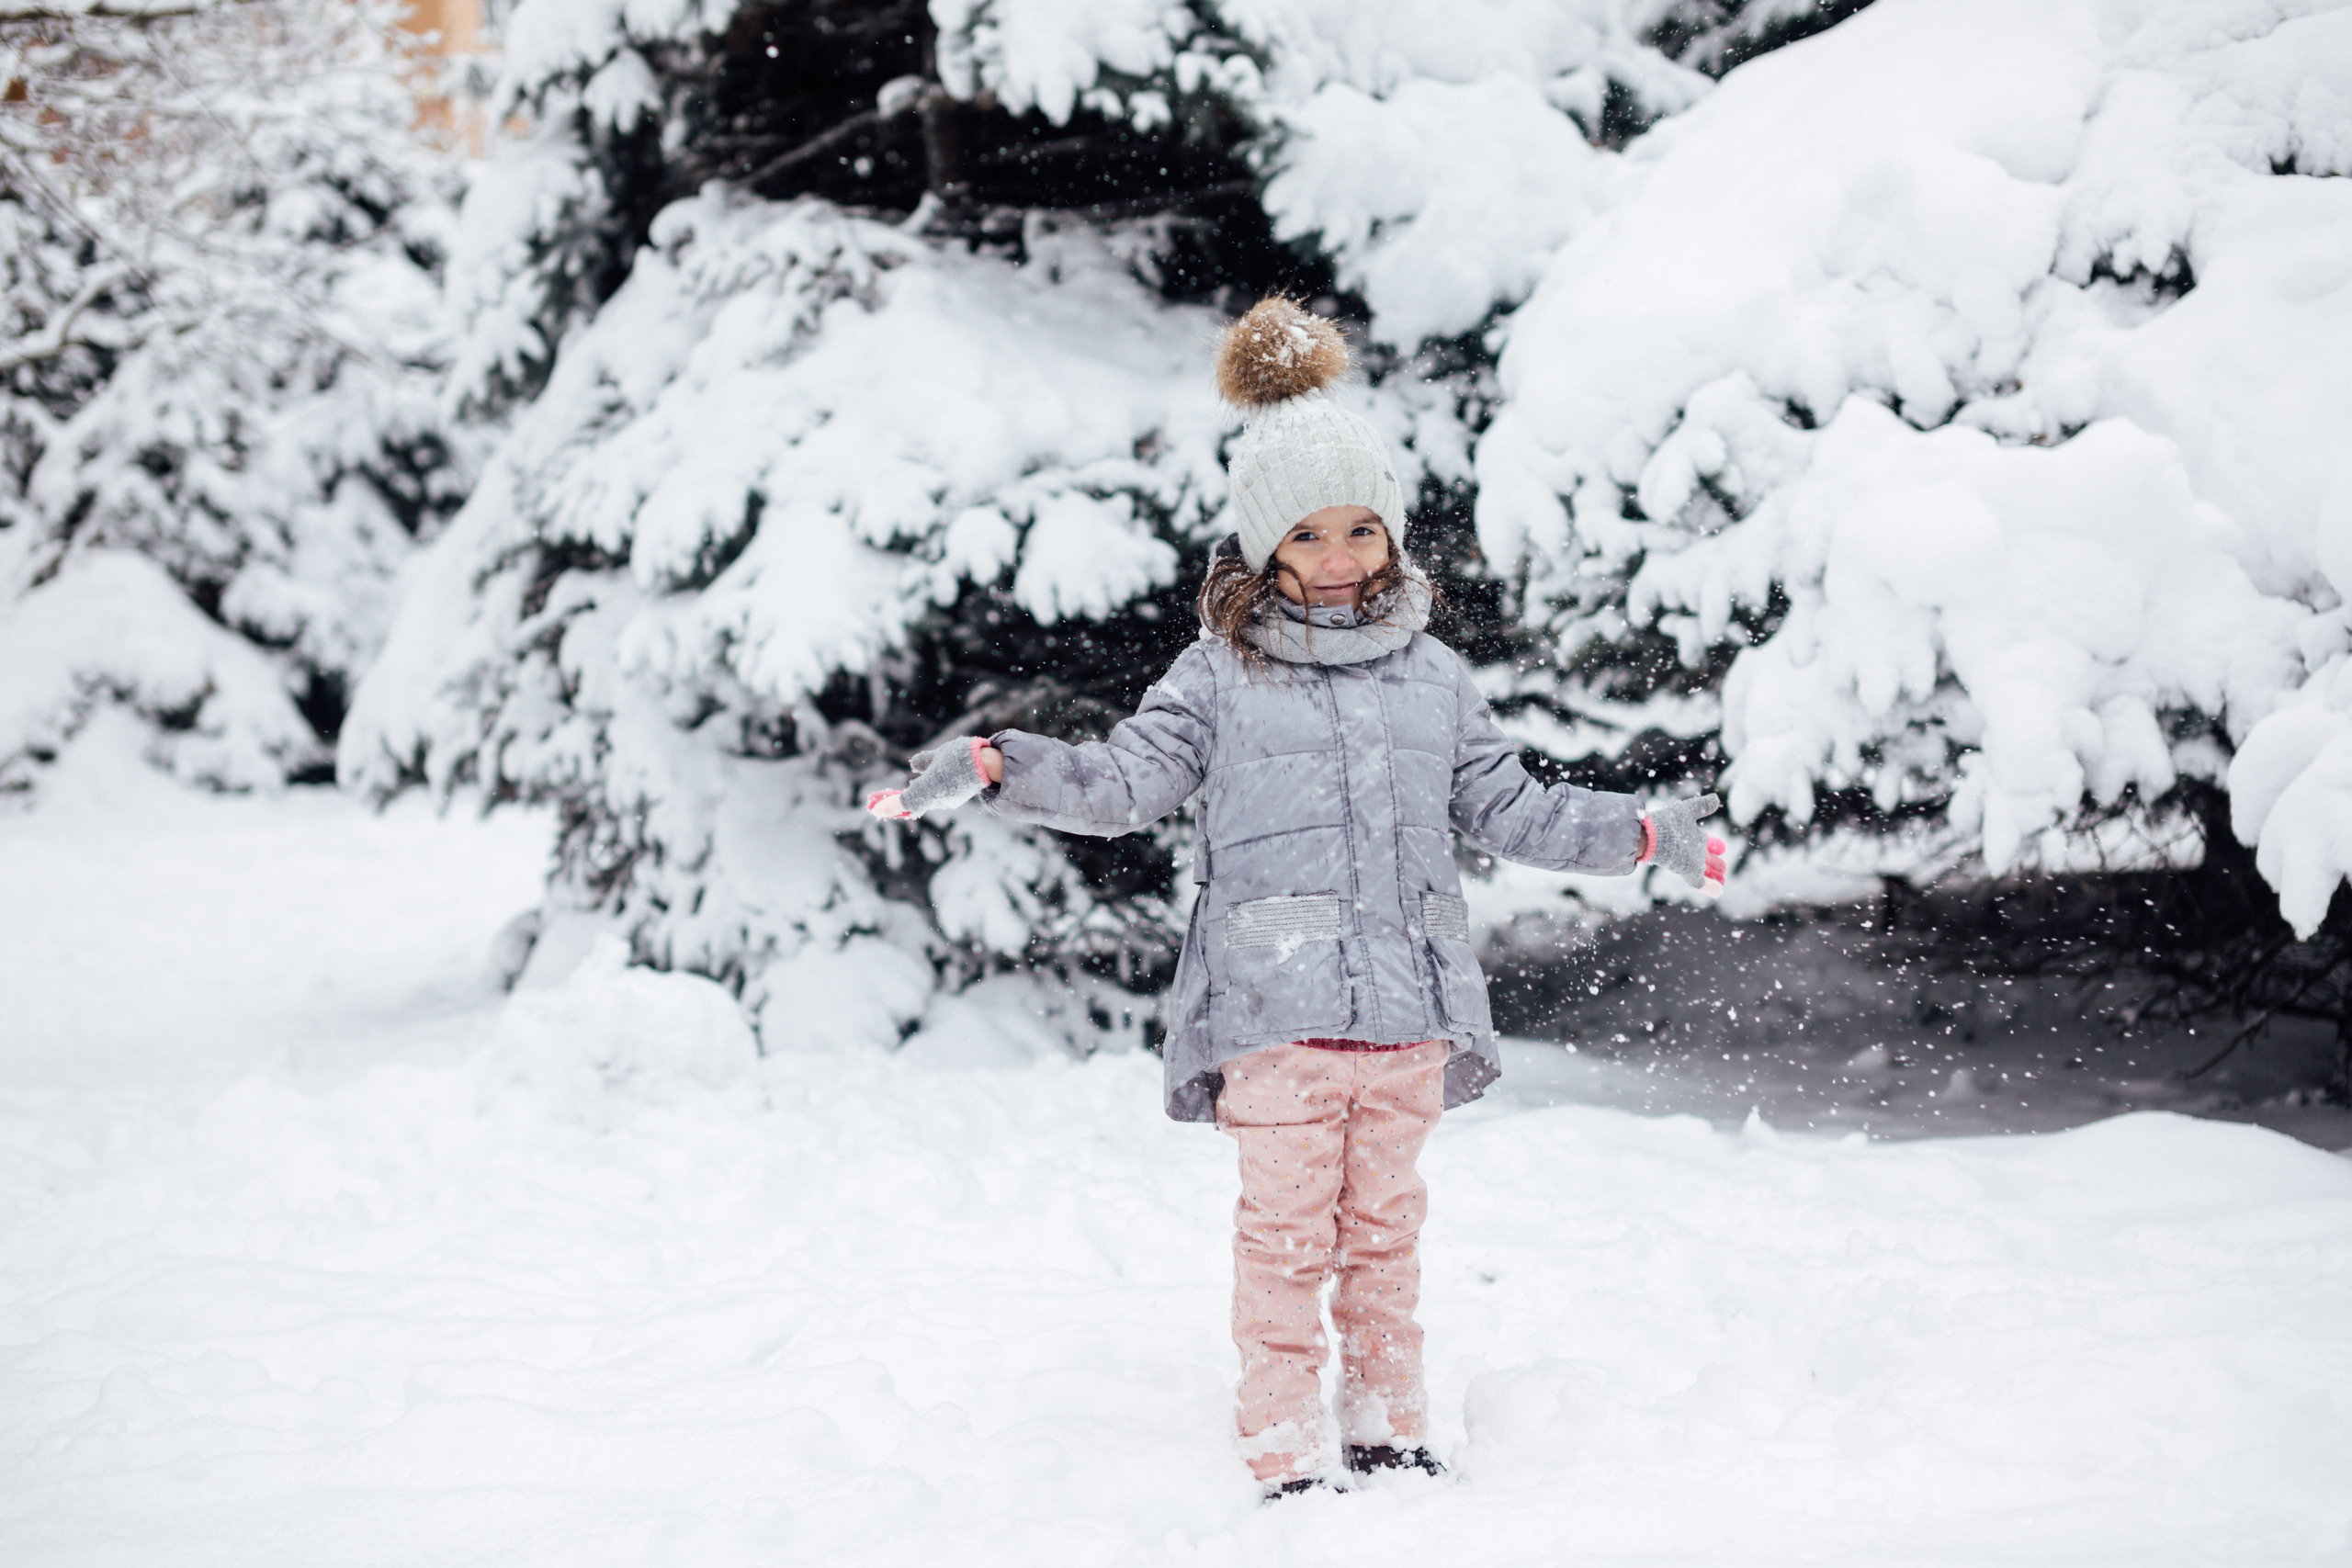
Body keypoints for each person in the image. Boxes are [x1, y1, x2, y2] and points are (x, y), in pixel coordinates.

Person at [865, 296, 1726, 1498]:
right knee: (1284, 1244)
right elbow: (1120, 784)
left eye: (1362, 530)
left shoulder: (1434, 679)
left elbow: (1509, 806)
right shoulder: (1215, 677)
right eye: (1309, 535)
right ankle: (1284, 1450)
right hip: (1277, 1015)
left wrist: (1643, 833)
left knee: (1386, 1244)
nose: (1338, 559)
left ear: (1393, 538)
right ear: (1266, 546)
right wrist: (1007, 767)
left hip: (1410, 1015)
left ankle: (1387, 1427)